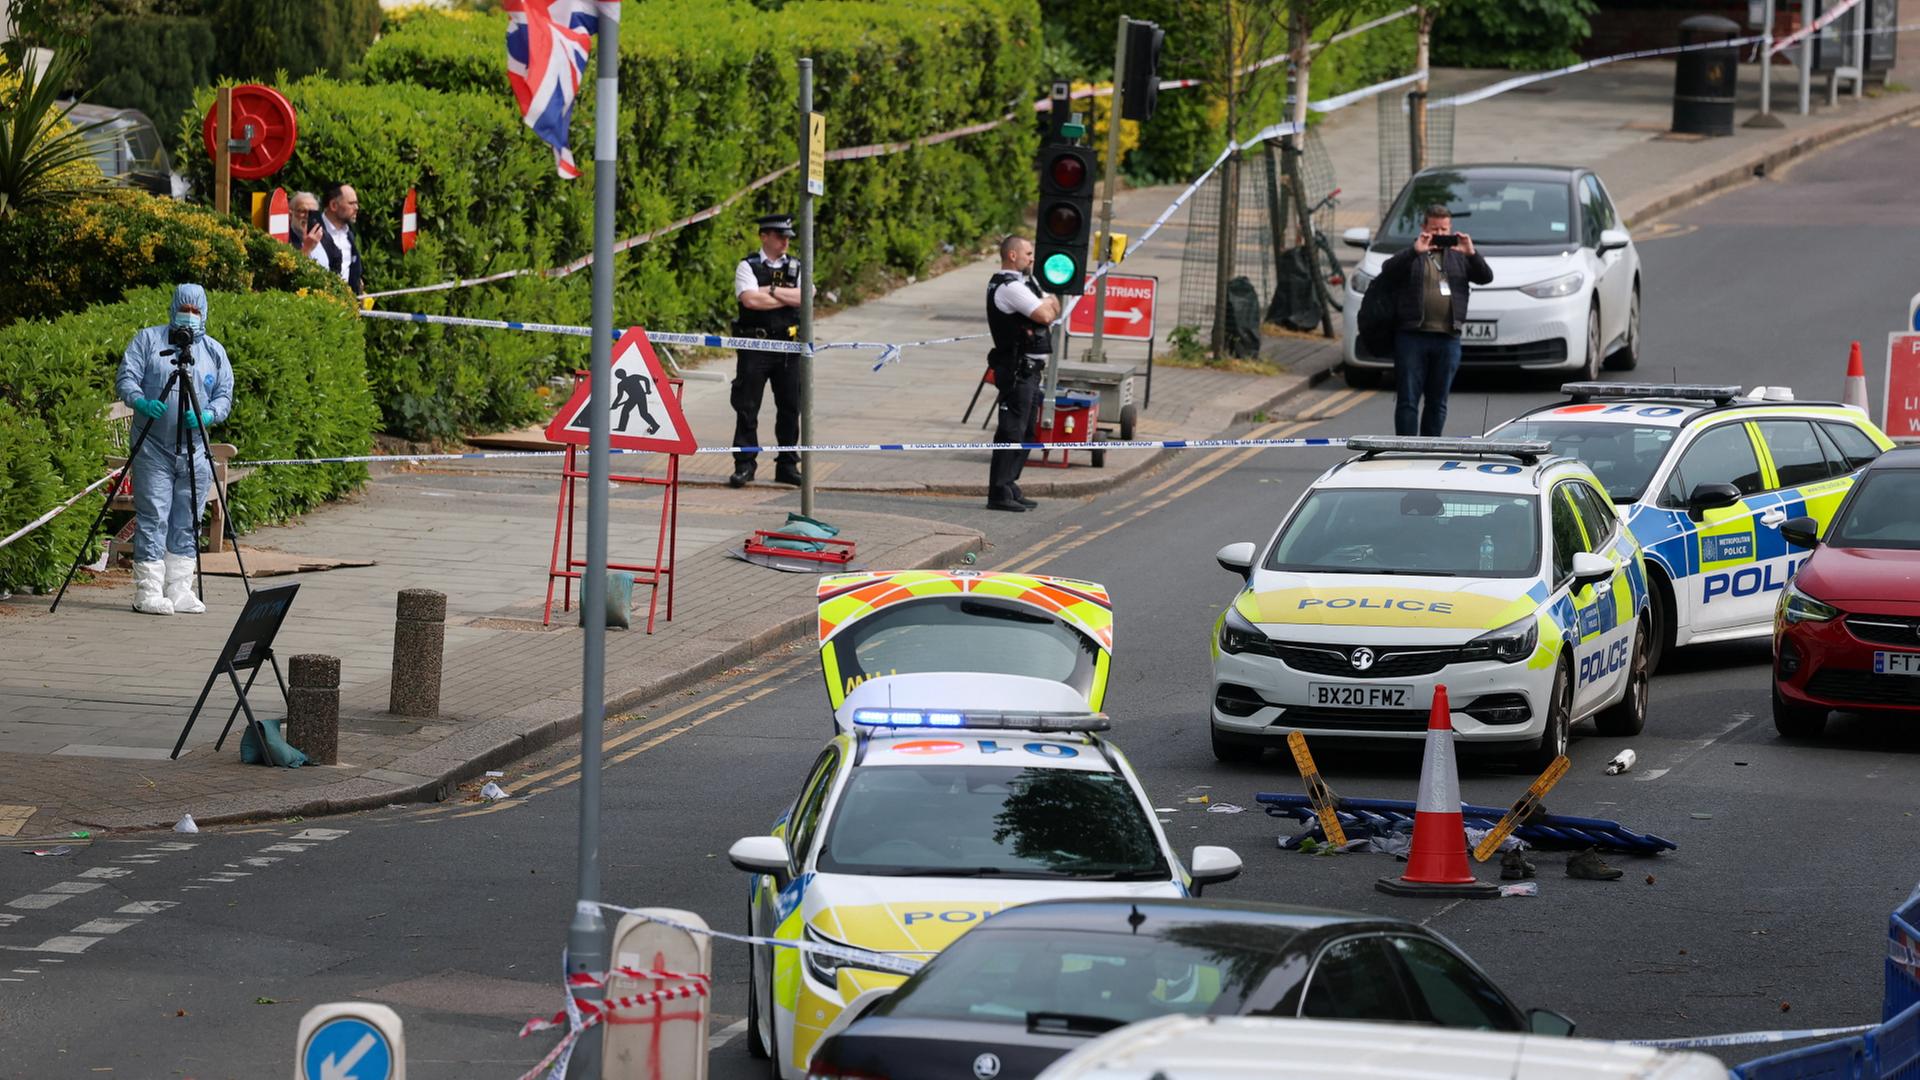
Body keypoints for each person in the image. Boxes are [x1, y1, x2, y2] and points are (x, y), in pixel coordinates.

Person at [115, 284, 234, 616]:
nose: (189, 316)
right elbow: (126, 378)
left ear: (204, 313)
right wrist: (141, 401)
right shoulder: (147, 341)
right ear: (173, 308)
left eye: (195, 311)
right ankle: (148, 590)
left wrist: (208, 414)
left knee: (188, 517)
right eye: (184, 309)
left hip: (194, 449)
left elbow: (224, 394)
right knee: (153, 516)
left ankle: (180, 588)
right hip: (153, 446)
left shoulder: (213, 352)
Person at [1373, 204, 1492, 436]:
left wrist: (1472, 253)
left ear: (1451, 229)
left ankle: (1430, 448)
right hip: (1412, 337)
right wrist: (1414, 251)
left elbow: (1485, 277)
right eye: (1434, 229)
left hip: (1448, 339)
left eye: (1444, 229)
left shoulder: (1459, 256)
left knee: (1438, 402)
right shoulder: (1413, 254)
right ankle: (1406, 449)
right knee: (1408, 400)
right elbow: (1388, 271)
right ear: (1423, 228)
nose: (1439, 233)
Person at [729, 213, 805, 488]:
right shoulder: (747, 266)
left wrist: (770, 290)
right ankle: (744, 465)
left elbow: (806, 297)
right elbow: (750, 301)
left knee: (790, 407)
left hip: (788, 346)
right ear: (764, 236)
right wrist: (786, 297)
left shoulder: (796, 266)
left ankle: (787, 465)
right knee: (747, 407)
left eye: (788, 237)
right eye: (780, 236)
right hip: (755, 345)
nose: (786, 241)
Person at [984, 235, 1059, 513]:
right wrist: (1046, 305)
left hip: (1030, 371)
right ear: (1012, 255)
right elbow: (1046, 315)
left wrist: (1047, 303)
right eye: (1028, 253)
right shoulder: (1010, 287)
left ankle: (1010, 484)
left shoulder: (1025, 284)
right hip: (1018, 370)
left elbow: (1054, 306)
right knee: (1011, 431)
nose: (1032, 258)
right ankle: (999, 492)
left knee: (1026, 430)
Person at [309, 182, 364, 294]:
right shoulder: (312, 231)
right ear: (334, 205)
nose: (356, 208)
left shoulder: (349, 234)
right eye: (351, 203)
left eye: (356, 203)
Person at [610, 366, 660, 435]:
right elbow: (646, 379)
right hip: (635, 397)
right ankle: (621, 428)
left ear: (618, 377)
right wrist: (614, 404)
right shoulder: (631, 378)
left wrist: (648, 389)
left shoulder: (623, 383)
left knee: (634, 412)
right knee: (639, 413)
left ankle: (655, 425)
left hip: (638, 397)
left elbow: (619, 396)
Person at [290, 191, 322, 255]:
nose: (307, 216)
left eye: (312, 212)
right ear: (291, 214)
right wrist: (307, 248)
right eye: (303, 211)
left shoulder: (324, 237)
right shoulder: (285, 240)